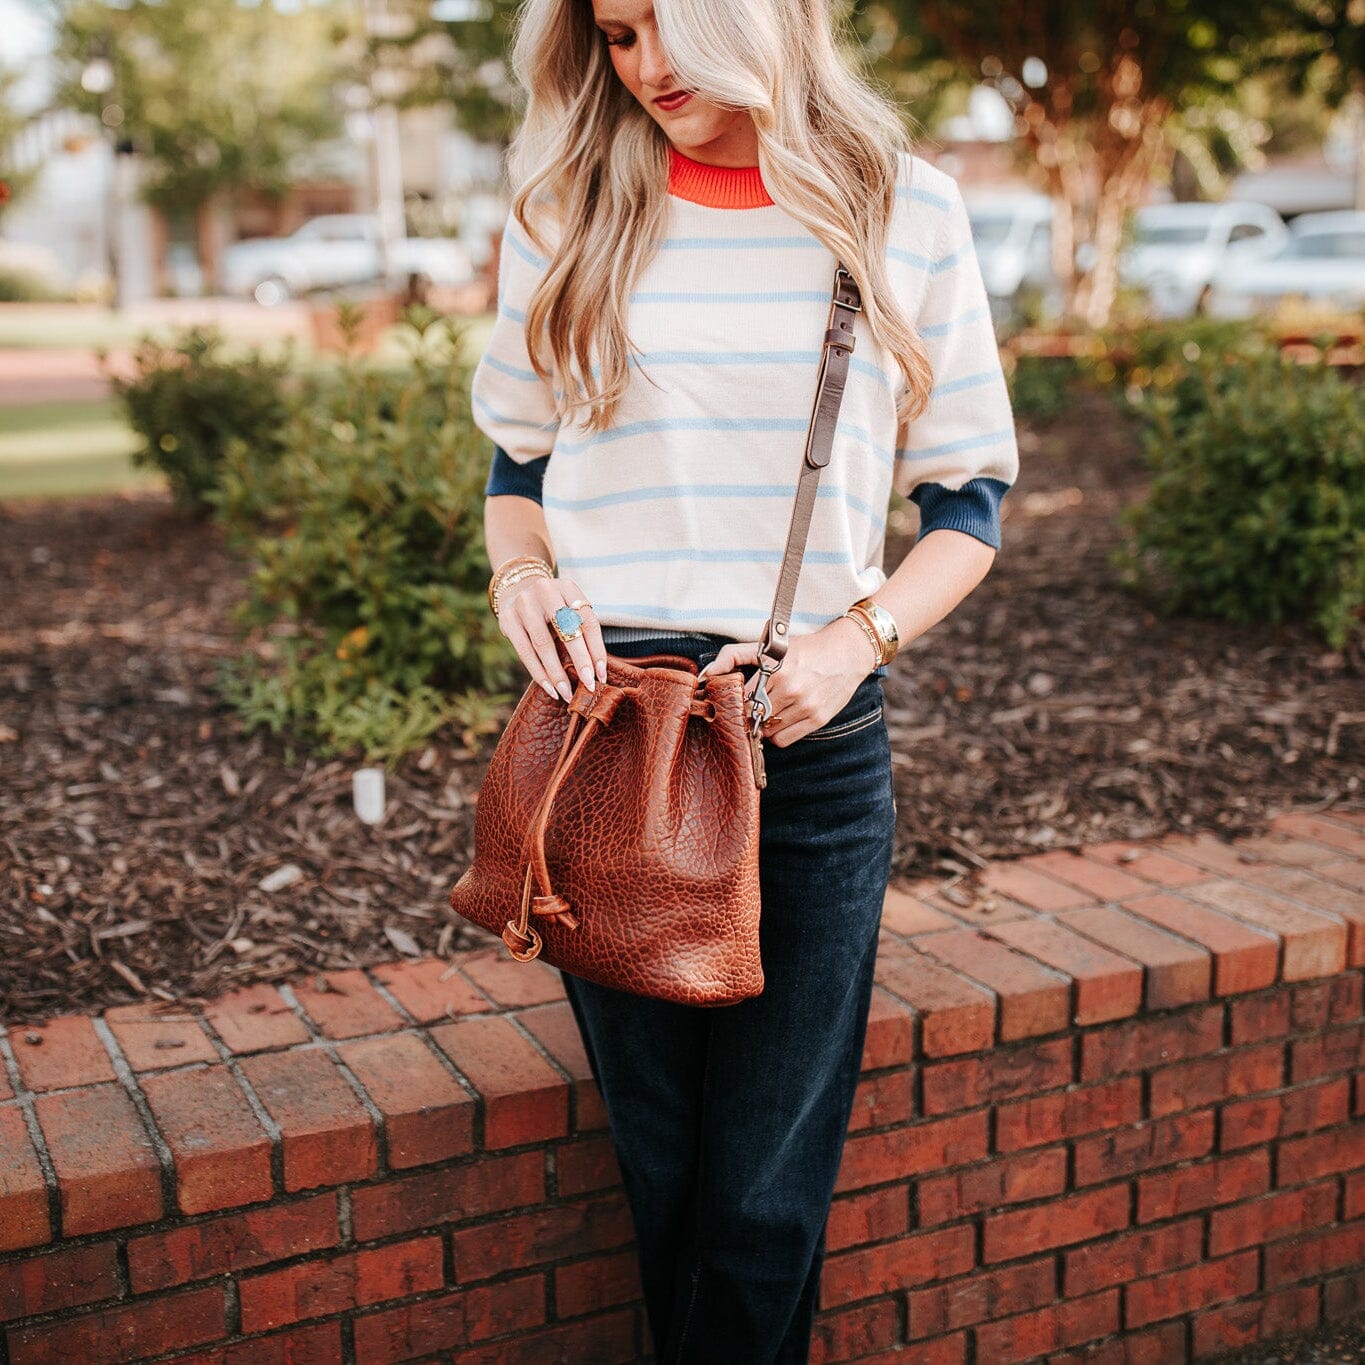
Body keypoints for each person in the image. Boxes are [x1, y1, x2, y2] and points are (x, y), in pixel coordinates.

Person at [472, 0, 1018, 1358]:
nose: (647, 67)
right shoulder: (567, 205)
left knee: (767, 1192)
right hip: (611, 733)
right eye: (615, 34)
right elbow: (516, 471)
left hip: (802, 739)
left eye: (672, 25)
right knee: (661, 1165)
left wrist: (855, 641)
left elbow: (967, 505)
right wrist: (519, 579)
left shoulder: (903, 208)